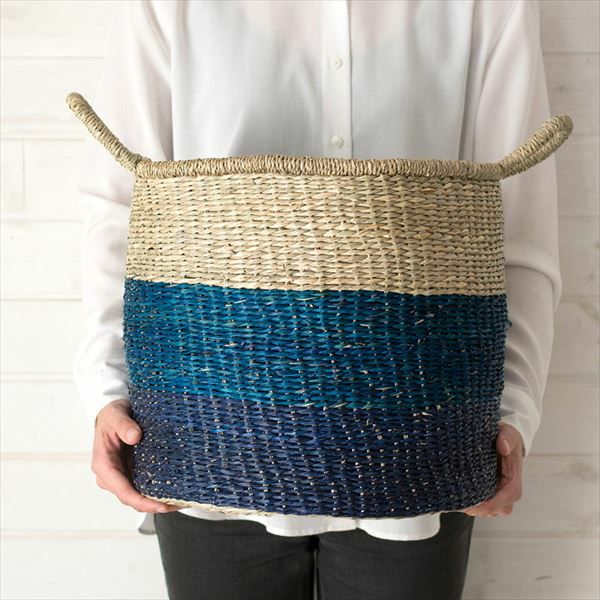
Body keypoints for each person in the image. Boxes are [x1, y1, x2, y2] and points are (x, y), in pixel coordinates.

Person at [72, 1, 561, 599]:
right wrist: (105, 392)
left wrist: (514, 416)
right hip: (209, 441)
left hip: (416, 448)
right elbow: (119, 207)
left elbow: (520, 229)